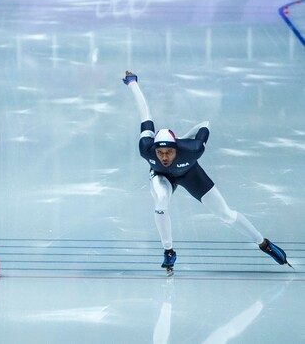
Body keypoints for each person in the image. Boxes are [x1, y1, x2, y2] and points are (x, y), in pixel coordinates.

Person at [122, 71, 290, 272]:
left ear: (177, 148)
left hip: (190, 172)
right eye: (160, 152)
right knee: (161, 199)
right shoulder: (145, 147)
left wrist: (184, 140)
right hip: (161, 176)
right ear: (153, 149)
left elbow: (204, 125)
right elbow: (145, 112)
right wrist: (132, 83)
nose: (164, 157)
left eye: (169, 152)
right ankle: (168, 251)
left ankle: (264, 244)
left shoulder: (193, 149)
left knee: (225, 213)